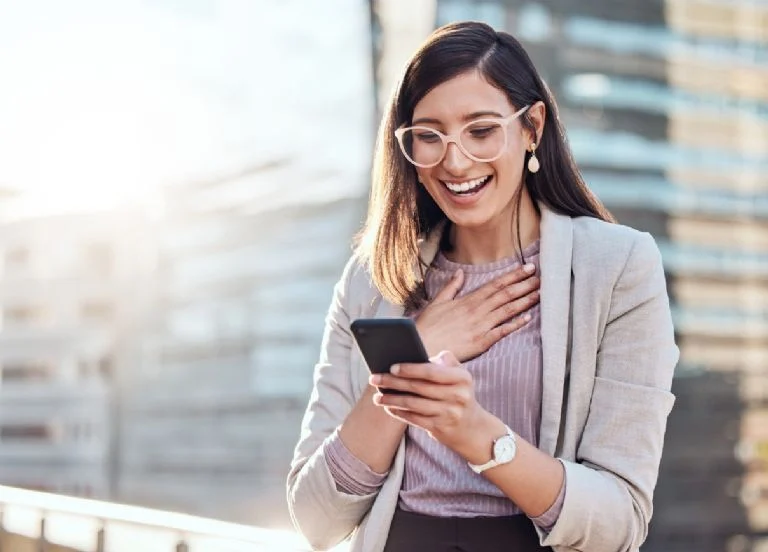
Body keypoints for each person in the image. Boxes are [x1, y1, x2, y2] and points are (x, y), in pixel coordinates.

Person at [287, 21, 678, 552]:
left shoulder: (618, 267)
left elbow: (618, 524)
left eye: (480, 130)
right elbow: (315, 519)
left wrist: (474, 432)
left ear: (532, 127)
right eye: (428, 136)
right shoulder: (373, 275)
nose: (454, 160)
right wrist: (412, 359)